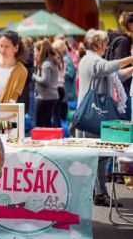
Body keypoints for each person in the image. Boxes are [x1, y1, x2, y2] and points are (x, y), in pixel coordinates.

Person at [77, 29, 133, 207]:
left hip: (97, 116)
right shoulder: (90, 60)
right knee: (97, 156)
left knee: (101, 156)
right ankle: (98, 193)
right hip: (92, 116)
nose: (107, 46)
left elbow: (117, 75)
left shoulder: (96, 59)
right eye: (105, 43)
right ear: (98, 45)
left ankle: (99, 192)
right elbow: (106, 68)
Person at [0, 30, 28, 103]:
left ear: (16, 48)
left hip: (5, 112)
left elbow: (13, 99)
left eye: (7, 47)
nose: (3, 50)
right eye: (1, 45)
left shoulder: (22, 71)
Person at [105, 11, 133, 119]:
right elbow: (118, 65)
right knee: (126, 124)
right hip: (122, 89)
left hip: (119, 87)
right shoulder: (124, 41)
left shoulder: (119, 39)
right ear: (130, 25)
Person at [33, 39, 60, 127]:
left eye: (35, 51)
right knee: (47, 123)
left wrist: (34, 76)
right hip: (52, 96)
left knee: (40, 124)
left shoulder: (46, 64)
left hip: (45, 97)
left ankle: (40, 140)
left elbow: (45, 81)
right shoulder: (52, 62)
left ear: (40, 51)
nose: (34, 53)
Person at [53, 39, 75, 122]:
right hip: (63, 90)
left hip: (65, 90)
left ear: (61, 49)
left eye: (56, 48)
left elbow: (70, 74)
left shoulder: (66, 59)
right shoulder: (63, 58)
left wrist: (59, 75)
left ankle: (69, 129)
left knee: (63, 114)